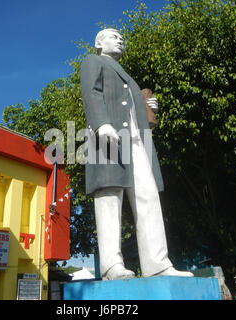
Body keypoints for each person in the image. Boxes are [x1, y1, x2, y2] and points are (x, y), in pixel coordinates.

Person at [80, 28, 194, 280]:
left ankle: (158, 265)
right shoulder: (92, 61)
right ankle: (112, 266)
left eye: (121, 37)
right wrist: (101, 123)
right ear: (98, 42)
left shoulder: (129, 78)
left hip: (136, 142)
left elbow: (130, 110)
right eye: (114, 36)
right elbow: (91, 92)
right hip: (106, 136)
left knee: (148, 196)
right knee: (109, 197)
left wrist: (147, 110)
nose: (120, 39)